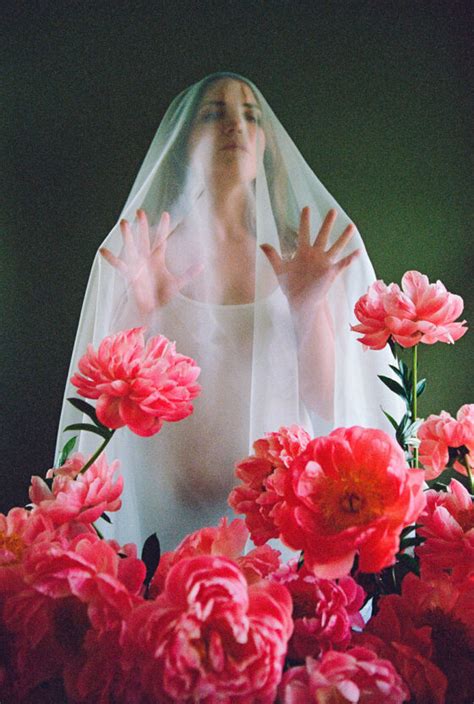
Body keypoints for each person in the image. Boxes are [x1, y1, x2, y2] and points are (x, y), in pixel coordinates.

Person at [57, 72, 402, 551]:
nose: (235, 126)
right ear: (185, 144)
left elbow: (326, 400)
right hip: (165, 519)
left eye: (250, 116)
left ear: (263, 145)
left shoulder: (294, 258)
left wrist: (306, 306)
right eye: (213, 114)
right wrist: (140, 307)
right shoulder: (149, 254)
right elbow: (101, 405)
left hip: (273, 525)